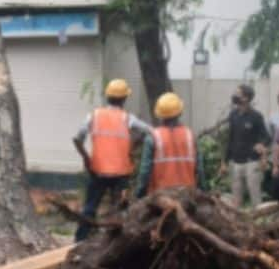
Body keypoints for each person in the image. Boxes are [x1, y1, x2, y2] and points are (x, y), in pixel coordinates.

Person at [73, 79, 151, 241]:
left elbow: (77, 138)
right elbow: (150, 132)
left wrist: (86, 158)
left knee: (90, 208)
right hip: (121, 174)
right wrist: (133, 145)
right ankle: (116, 242)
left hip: (98, 170)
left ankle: (79, 241)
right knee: (120, 210)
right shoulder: (128, 118)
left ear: (107, 96)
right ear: (124, 99)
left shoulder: (93, 116)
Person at [135, 93, 201, 198]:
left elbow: (145, 172)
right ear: (180, 113)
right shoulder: (190, 136)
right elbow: (199, 170)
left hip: (160, 198)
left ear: (160, 115)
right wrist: (204, 191)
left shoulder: (153, 137)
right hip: (187, 197)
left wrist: (139, 194)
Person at [220, 84, 270, 209]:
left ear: (246, 98)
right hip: (236, 163)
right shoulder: (233, 115)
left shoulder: (256, 116)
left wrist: (261, 144)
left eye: (238, 93)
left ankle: (258, 224)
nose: (235, 95)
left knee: (255, 199)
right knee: (236, 200)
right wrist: (224, 162)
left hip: (252, 163)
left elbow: (267, 137)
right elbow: (230, 139)